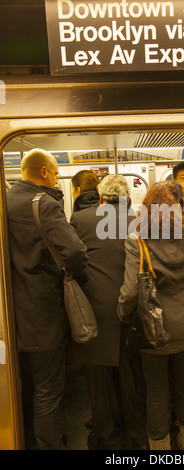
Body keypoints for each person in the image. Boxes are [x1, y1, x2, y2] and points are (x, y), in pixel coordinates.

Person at [6, 148, 89, 450]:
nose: (56, 179)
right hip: (43, 314)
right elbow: (76, 252)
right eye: (55, 173)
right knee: (49, 389)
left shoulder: (7, 199)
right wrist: (79, 277)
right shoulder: (43, 204)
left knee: (27, 383)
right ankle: (50, 445)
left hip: (14, 312)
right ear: (43, 173)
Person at [118, 182, 184, 451]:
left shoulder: (137, 238)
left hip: (153, 326)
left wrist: (122, 312)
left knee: (155, 390)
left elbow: (131, 289)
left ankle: (160, 449)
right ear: (178, 206)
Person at [70, 174, 147, 450]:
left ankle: (108, 437)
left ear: (101, 197)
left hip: (96, 310)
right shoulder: (139, 219)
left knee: (100, 382)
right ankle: (138, 435)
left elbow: (72, 259)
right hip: (133, 308)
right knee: (132, 378)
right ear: (127, 198)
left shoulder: (80, 220)